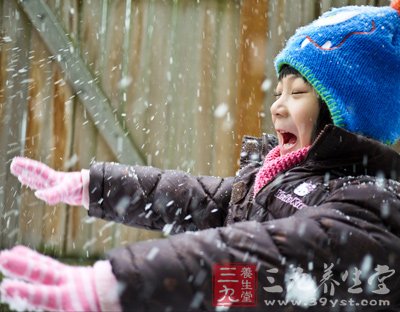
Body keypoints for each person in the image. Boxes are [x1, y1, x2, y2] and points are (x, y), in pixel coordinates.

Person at [1, 1, 400, 311]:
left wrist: (132, 283)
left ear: (347, 115)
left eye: (297, 94)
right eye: (278, 92)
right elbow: (206, 202)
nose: (277, 107)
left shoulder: (370, 206)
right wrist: (96, 186)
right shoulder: (281, 181)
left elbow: (269, 259)